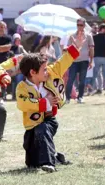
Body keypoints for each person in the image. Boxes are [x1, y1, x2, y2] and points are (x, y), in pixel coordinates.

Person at [16, 44, 79, 172]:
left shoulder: (51, 74)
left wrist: (74, 48)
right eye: (44, 69)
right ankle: (56, 157)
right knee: (32, 163)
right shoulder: (21, 87)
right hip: (31, 126)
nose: (47, 71)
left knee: (42, 129)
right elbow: (23, 104)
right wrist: (44, 102)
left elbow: (63, 63)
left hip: (49, 120)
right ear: (33, 72)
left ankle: (49, 163)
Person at [65, 17, 94, 104]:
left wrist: (91, 61)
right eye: (78, 25)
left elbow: (92, 49)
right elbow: (68, 49)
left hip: (84, 60)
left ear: (84, 25)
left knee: (82, 80)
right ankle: (67, 98)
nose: (79, 27)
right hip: (73, 61)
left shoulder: (88, 36)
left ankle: (80, 97)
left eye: (81, 25)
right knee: (70, 80)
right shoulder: (72, 36)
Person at [10, 33, 27, 100]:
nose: (18, 42)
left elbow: (26, 55)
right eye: (16, 40)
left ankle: (17, 94)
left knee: (20, 77)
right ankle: (14, 95)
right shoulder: (10, 48)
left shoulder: (21, 47)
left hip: (19, 69)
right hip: (11, 69)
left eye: (19, 40)